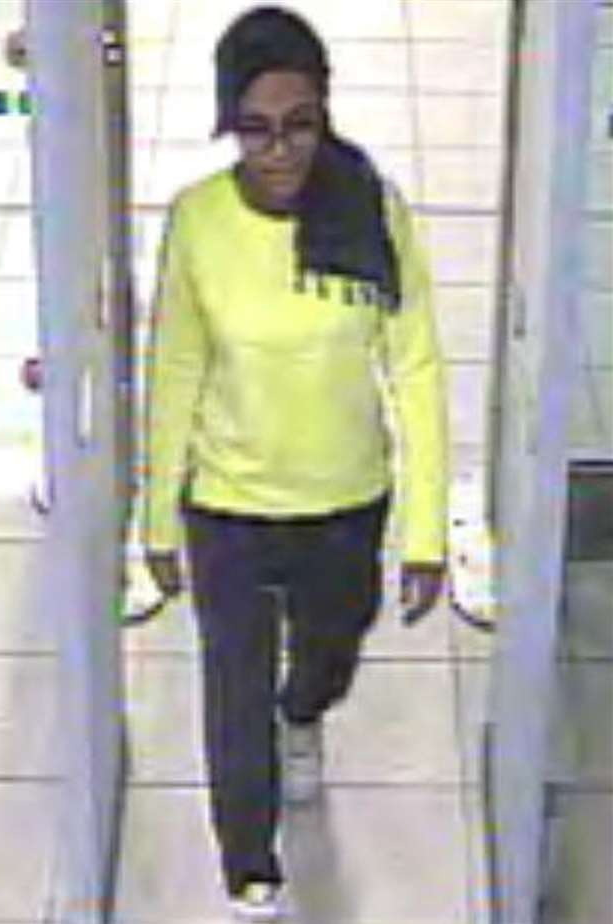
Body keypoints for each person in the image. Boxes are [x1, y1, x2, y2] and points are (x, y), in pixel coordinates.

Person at [139, 7, 448, 921]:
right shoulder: (197, 221)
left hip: (346, 498)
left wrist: (427, 533)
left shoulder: (371, 210)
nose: (278, 151)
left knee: (329, 652)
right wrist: (156, 517)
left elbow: (418, 368)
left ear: (325, 117)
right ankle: (249, 859)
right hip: (228, 502)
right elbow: (176, 370)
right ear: (227, 124)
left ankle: (305, 709)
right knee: (232, 687)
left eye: (298, 125)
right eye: (255, 128)